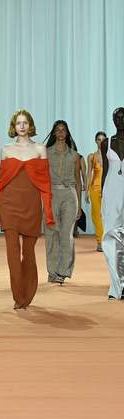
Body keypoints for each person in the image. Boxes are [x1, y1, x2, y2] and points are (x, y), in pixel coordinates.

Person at [0, 110, 54, 309]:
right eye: (18, 123)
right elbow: (1, 183)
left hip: (31, 206)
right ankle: (18, 296)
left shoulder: (41, 149)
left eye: (25, 122)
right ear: (14, 127)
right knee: (12, 254)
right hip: (9, 204)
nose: (22, 126)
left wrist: (48, 211)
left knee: (29, 253)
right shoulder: (6, 150)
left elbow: (45, 184)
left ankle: (27, 293)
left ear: (30, 125)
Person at [43, 121, 82, 284]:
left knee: (66, 235)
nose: (60, 132)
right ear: (53, 133)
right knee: (51, 234)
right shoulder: (46, 153)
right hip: (51, 194)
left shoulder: (74, 155)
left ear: (67, 133)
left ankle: (63, 271)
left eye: (63, 130)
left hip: (69, 195)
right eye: (57, 130)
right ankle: (52, 271)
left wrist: (79, 205)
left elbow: (79, 182)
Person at [101, 107, 124, 299]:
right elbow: (105, 171)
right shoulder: (106, 143)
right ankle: (116, 287)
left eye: (123, 117)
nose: (120, 120)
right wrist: (102, 195)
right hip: (112, 192)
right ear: (113, 120)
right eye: (117, 117)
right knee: (111, 237)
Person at [86, 131, 107, 252]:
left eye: (103, 140)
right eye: (98, 139)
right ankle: (100, 241)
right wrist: (86, 191)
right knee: (96, 214)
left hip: (107, 188)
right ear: (95, 141)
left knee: (106, 215)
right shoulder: (91, 156)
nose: (101, 142)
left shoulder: (110, 156)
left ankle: (106, 240)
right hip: (94, 188)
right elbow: (89, 174)